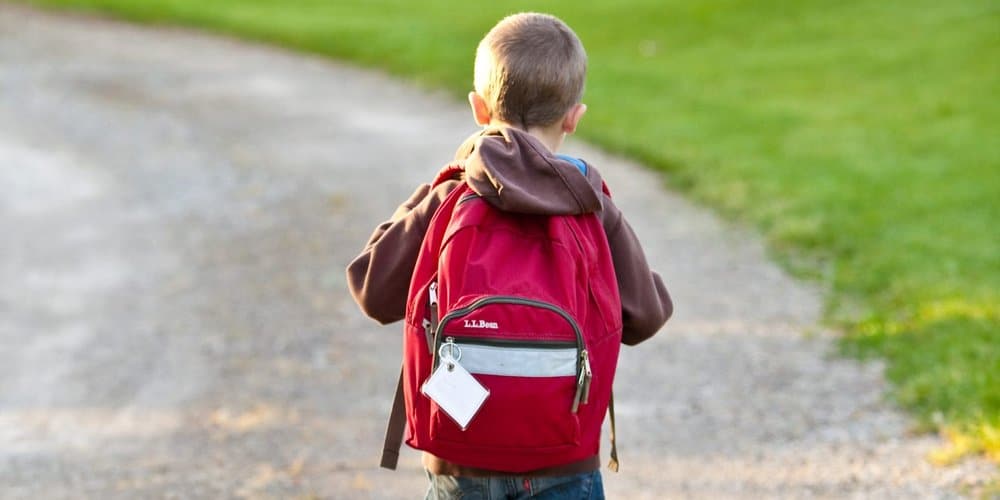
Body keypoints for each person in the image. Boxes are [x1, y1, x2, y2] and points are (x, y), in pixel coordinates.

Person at [347, 12, 672, 500]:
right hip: (565, 457)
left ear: (478, 109)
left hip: (461, 457)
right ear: (573, 117)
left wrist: (433, 190)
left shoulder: (451, 196)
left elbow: (373, 290)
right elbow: (646, 317)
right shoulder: (590, 202)